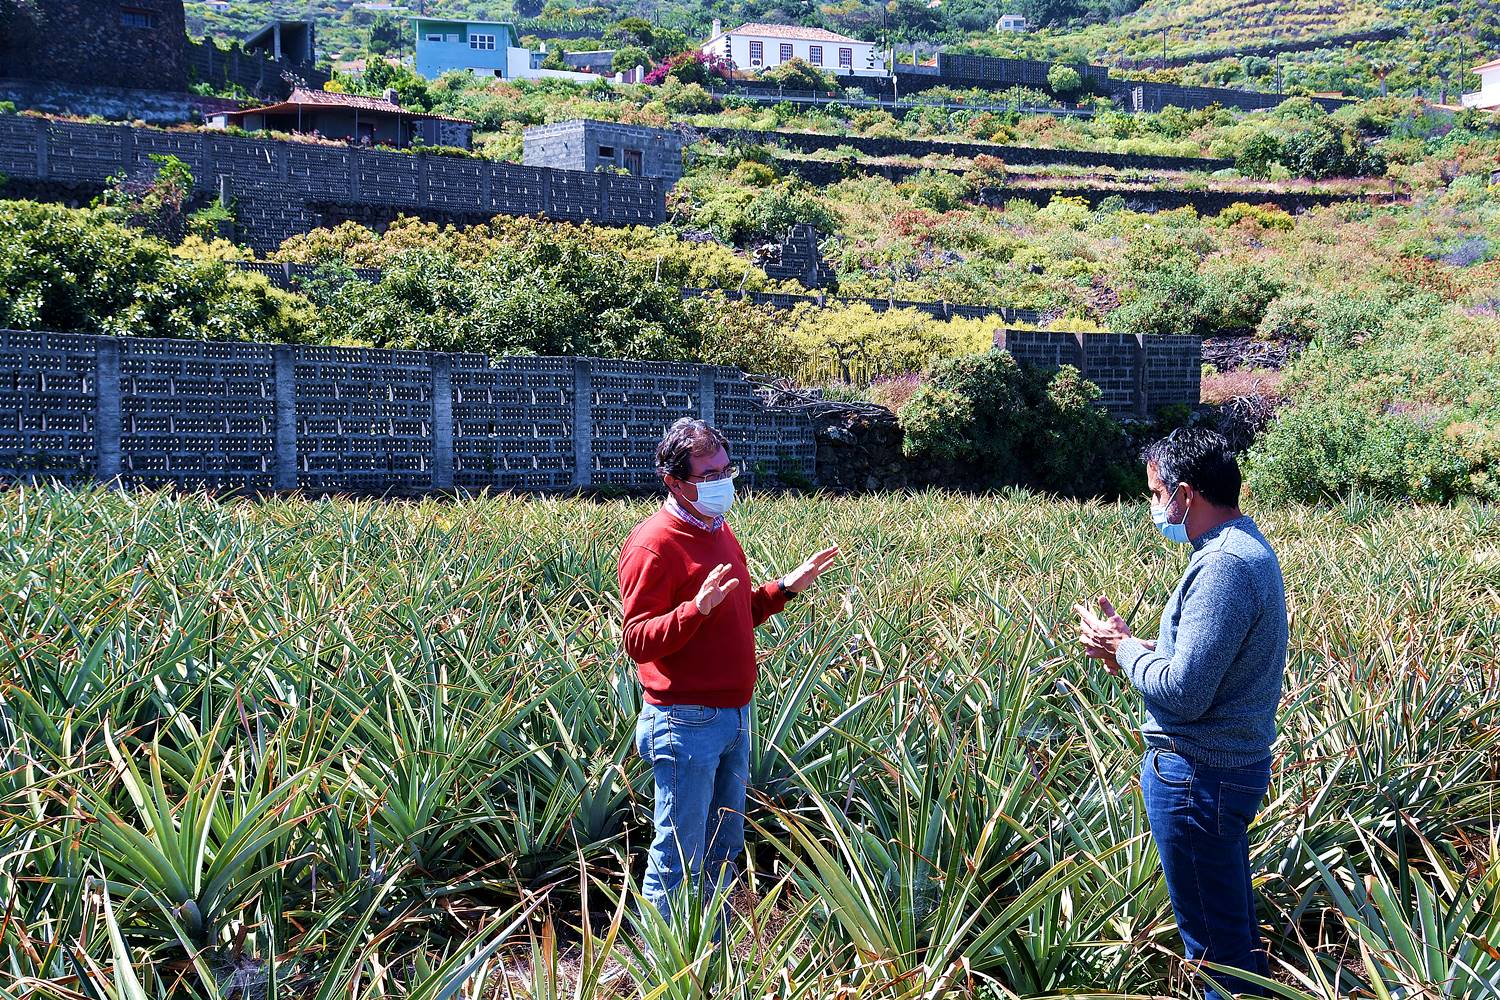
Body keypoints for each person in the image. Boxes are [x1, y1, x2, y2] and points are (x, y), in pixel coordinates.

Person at [1075, 428, 1287, 1000]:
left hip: (1198, 776)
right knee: (1234, 944)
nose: (1154, 505)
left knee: (1216, 958)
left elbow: (1185, 692)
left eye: (1155, 491)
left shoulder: (1224, 567)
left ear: (1185, 494)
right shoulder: (1243, 550)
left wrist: (1121, 651)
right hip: (1224, 770)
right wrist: (1132, 645)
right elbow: (1199, 666)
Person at [618, 417, 838, 927]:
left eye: (725, 470)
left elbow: (737, 612)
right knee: (676, 858)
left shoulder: (718, 530)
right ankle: (665, 969)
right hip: (685, 720)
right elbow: (636, 639)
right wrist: (694, 610)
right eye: (709, 475)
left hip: (735, 715)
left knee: (724, 849)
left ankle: (709, 955)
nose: (723, 483)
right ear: (674, 482)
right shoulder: (655, 544)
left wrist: (785, 587)